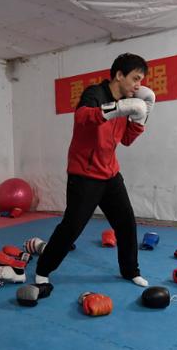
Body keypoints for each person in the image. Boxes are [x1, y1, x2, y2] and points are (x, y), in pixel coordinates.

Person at [33, 53, 155, 287]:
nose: (139, 85)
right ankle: (43, 269)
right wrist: (116, 109)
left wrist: (141, 118)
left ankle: (130, 271)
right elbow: (82, 117)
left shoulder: (128, 101)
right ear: (119, 75)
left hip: (110, 174)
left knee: (126, 223)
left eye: (141, 80)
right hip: (85, 176)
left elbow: (126, 140)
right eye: (135, 78)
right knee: (72, 227)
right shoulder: (95, 93)